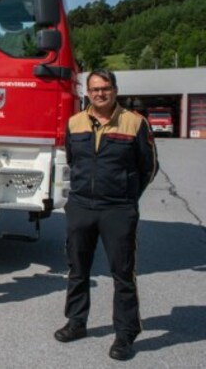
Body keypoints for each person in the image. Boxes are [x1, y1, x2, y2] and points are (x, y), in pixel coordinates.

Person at [54, 69, 158, 361]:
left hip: (118, 209)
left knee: (122, 274)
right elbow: (72, 159)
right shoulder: (74, 123)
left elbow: (148, 167)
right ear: (88, 92)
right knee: (77, 269)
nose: (100, 93)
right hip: (81, 207)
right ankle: (76, 322)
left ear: (115, 90)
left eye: (106, 88)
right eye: (95, 89)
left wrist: (126, 196)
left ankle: (125, 335)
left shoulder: (135, 123)